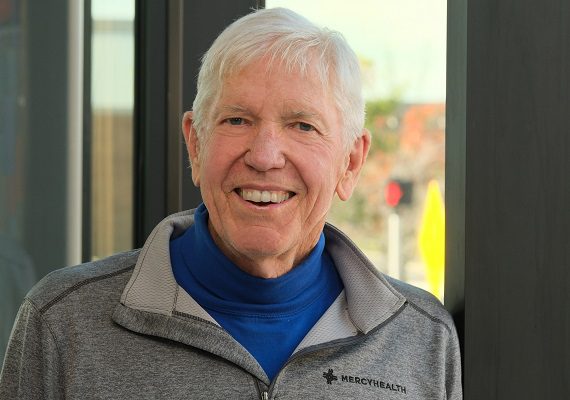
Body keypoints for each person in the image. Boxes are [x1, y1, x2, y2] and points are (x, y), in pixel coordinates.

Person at [0, 7, 462, 399]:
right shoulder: (63, 325)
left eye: (302, 126)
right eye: (236, 119)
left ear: (351, 162)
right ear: (195, 145)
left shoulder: (422, 338)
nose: (263, 156)